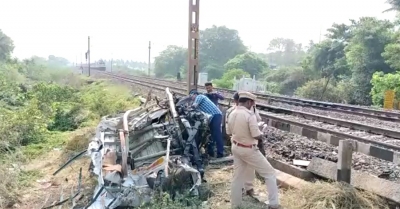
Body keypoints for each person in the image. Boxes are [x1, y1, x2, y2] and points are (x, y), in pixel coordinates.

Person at [226, 91, 280, 209]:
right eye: (252, 103)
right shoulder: (249, 115)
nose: (253, 105)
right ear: (249, 102)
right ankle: (274, 204)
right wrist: (261, 131)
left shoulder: (231, 113)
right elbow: (256, 135)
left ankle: (235, 204)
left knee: (237, 176)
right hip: (248, 149)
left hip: (236, 147)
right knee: (270, 173)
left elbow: (228, 132)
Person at [225, 92, 262, 198]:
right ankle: (245, 188)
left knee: (243, 168)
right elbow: (229, 131)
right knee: (244, 168)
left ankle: (245, 188)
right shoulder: (232, 111)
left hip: (243, 143)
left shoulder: (251, 110)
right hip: (245, 143)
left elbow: (228, 131)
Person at [189, 89, 224, 158]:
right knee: (212, 135)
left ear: (194, 94)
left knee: (217, 135)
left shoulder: (199, 97)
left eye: (191, 96)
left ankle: (220, 153)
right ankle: (211, 152)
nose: (191, 98)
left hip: (215, 115)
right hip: (212, 117)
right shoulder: (200, 99)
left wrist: (188, 108)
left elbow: (194, 106)